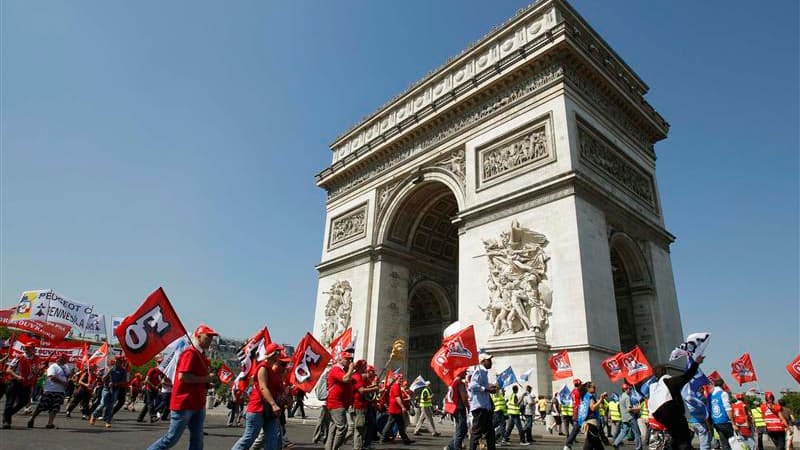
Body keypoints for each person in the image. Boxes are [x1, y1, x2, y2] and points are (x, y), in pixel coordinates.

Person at [146, 324, 219, 450]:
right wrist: (206, 379)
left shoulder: (201, 355)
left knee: (197, 439)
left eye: (212, 337)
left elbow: (195, 377)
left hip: (197, 404)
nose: (210, 340)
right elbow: (182, 377)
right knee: (172, 438)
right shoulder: (190, 353)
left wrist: (207, 382)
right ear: (198, 336)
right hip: (184, 403)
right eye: (208, 337)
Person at [230, 342, 287, 450]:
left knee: (272, 439)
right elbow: (263, 388)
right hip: (258, 408)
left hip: (268, 410)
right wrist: (274, 404)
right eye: (278, 352)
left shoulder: (272, 370)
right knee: (249, 437)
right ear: (272, 354)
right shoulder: (263, 367)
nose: (280, 355)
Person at [649, 354, 705, 450]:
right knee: (683, 439)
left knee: (676, 437)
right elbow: (686, 376)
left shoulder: (654, 387)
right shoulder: (669, 381)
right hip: (672, 412)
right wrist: (696, 363)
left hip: (659, 415)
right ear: (664, 371)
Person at [2, 341, 41, 428]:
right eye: (25, 348)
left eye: (29, 348)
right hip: (15, 382)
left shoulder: (37, 359)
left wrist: (37, 372)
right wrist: (17, 376)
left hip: (26, 384)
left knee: (24, 401)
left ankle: (8, 414)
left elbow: (36, 370)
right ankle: (7, 422)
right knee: (10, 402)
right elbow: (8, 369)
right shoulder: (19, 357)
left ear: (33, 349)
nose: (26, 349)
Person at [27, 353, 69, 429]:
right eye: (65, 358)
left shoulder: (66, 367)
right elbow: (51, 377)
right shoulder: (53, 366)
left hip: (60, 391)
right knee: (41, 406)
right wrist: (63, 383)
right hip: (50, 390)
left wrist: (67, 382)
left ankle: (50, 423)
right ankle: (32, 419)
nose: (66, 360)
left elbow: (68, 376)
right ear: (60, 359)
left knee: (55, 408)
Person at [468, 352, 498, 450]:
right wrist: (487, 389)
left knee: (490, 433)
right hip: (479, 407)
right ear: (482, 361)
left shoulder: (484, 372)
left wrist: (490, 387)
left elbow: (481, 386)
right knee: (476, 433)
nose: (491, 362)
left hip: (485, 407)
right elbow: (472, 386)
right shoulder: (479, 371)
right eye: (488, 360)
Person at [90, 356, 129, 428]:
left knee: (111, 406)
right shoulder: (110, 369)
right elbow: (103, 378)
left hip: (115, 390)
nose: (117, 362)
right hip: (106, 389)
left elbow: (124, 381)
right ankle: (94, 415)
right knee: (103, 404)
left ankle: (108, 421)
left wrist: (115, 384)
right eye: (116, 361)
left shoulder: (123, 371)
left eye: (119, 361)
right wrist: (107, 375)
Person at [380, 371, 415, 445]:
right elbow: (397, 398)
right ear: (396, 379)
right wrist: (402, 407)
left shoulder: (397, 386)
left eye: (402, 378)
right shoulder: (395, 386)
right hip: (395, 409)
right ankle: (383, 439)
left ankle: (405, 440)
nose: (402, 380)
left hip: (396, 409)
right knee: (391, 424)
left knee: (400, 425)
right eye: (400, 378)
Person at [352, 359, 378, 450]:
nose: (365, 368)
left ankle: (360, 446)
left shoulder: (359, 376)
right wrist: (374, 389)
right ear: (360, 367)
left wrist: (373, 387)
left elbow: (364, 388)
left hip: (363, 405)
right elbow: (362, 390)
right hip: (358, 405)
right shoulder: (357, 376)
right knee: (358, 429)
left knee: (360, 428)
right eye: (364, 366)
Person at [577, 381, 607, 450]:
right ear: (588, 388)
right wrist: (600, 400)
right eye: (593, 387)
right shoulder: (590, 396)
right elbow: (592, 408)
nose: (595, 388)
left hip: (589, 423)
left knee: (597, 446)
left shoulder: (585, 397)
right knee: (590, 445)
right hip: (591, 423)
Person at [613, 383, 642, 450]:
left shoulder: (621, 396)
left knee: (623, 432)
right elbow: (629, 409)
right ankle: (638, 447)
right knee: (637, 433)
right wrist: (637, 409)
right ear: (626, 389)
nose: (630, 390)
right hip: (630, 418)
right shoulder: (627, 397)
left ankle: (616, 443)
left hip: (624, 418)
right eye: (630, 389)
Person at [446, 367, 469, 450]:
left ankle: (450, 446)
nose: (466, 374)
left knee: (462, 429)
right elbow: (464, 398)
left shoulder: (453, 382)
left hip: (454, 408)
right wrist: (468, 406)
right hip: (459, 408)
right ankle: (456, 447)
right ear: (460, 373)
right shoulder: (460, 383)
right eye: (465, 372)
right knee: (461, 429)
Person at [709, 379, 734, 450]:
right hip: (725, 421)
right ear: (723, 384)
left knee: (724, 443)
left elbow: (709, 409)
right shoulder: (723, 393)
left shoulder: (710, 395)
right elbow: (728, 409)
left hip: (716, 422)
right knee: (732, 442)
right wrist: (733, 423)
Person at [564, 378, 583, 450]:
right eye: (581, 384)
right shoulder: (579, 391)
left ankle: (568, 444)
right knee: (576, 428)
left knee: (577, 428)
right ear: (579, 384)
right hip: (579, 410)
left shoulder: (572, 392)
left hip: (575, 410)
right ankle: (568, 444)